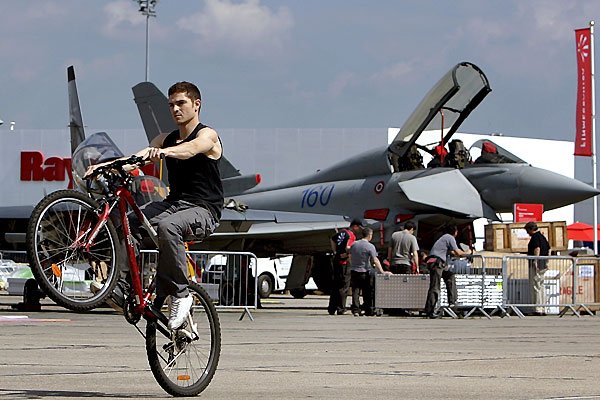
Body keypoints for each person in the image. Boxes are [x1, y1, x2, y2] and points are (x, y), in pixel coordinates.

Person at [87, 81, 223, 330]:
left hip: (203, 210)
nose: (175, 109)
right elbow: (134, 159)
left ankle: (182, 294)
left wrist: (165, 153)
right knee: (128, 222)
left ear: (196, 104)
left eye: (181, 103)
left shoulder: (208, 135)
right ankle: (122, 287)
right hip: (173, 204)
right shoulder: (164, 139)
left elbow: (192, 149)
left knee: (169, 227)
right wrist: (104, 166)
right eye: (171, 105)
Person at [423, 224, 472, 318]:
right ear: (455, 232)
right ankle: (430, 311)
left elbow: (453, 252)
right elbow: (458, 253)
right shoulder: (450, 237)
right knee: (435, 287)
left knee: (450, 277)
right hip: (437, 263)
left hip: (438, 262)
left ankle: (452, 303)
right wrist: (468, 253)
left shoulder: (444, 238)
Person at [349, 227, 392, 316]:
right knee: (367, 291)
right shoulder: (370, 246)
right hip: (365, 271)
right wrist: (382, 271)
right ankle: (368, 309)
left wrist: (352, 264)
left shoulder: (354, 244)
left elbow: (350, 256)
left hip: (354, 270)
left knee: (355, 291)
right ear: (370, 235)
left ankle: (356, 310)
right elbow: (375, 260)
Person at [327, 219, 363, 315]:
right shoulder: (351, 235)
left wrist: (335, 252)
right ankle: (341, 308)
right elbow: (348, 247)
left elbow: (332, 239)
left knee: (335, 284)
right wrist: (349, 254)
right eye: (359, 227)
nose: (359, 230)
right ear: (355, 226)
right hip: (344, 262)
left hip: (336, 260)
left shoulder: (341, 232)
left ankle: (331, 308)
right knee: (344, 286)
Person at [525, 221, 550, 316]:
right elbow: (549, 248)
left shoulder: (535, 237)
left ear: (531, 229)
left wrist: (535, 260)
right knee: (541, 286)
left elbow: (537, 248)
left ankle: (537, 308)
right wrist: (547, 261)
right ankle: (543, 307)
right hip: (543, 264)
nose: (527, 233)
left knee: (536, 286)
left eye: (527, 230)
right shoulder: (543, 237)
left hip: (537, 265)